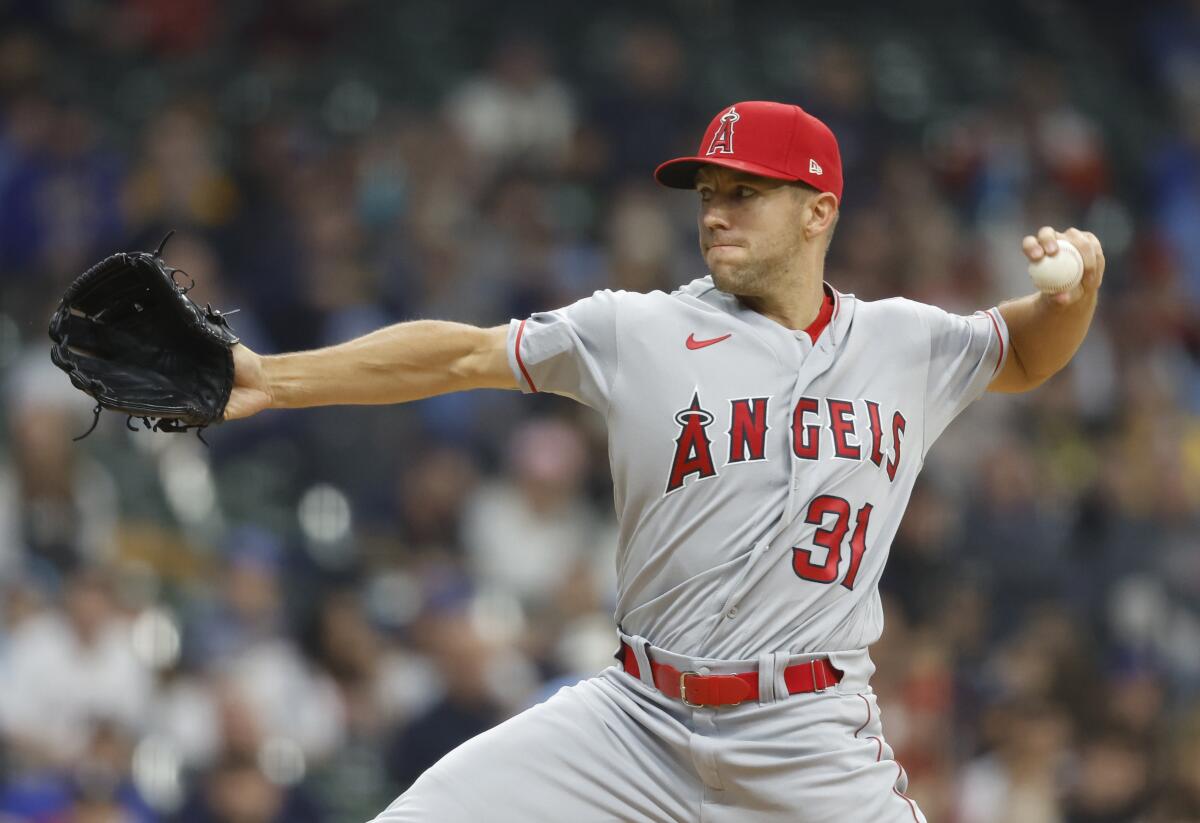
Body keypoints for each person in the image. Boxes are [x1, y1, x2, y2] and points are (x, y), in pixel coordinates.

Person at [225, 100, 1105, 822]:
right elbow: (460, 354)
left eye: (745, 191)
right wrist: (274, 376)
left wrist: (1081, 289)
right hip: (634, 719)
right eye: (707, 190)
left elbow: (1026, 352)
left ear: (818, 209)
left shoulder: (903, 342)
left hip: (807, 738)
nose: (715, 209)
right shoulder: (636, 329)